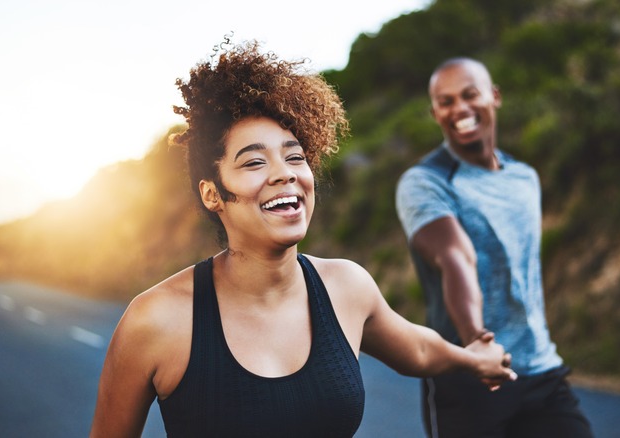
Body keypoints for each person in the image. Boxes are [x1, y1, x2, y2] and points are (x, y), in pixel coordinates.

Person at [90, 41, 516, 438]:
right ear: (212, 192)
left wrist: (474, 359)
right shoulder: (156, 319)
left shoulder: (346, 287)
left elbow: (419, 350)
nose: (284, 173)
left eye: (295, 156)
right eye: (254, 161)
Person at [395, 57, 593, 437]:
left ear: (494, 96)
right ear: (435, 112)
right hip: (469, 376)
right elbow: (455, 257)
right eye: (446, 101)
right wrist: (477, 341)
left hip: (540, 369)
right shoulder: (424, 182)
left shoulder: (525, 178)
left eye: (470, 95)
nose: (460, 109)